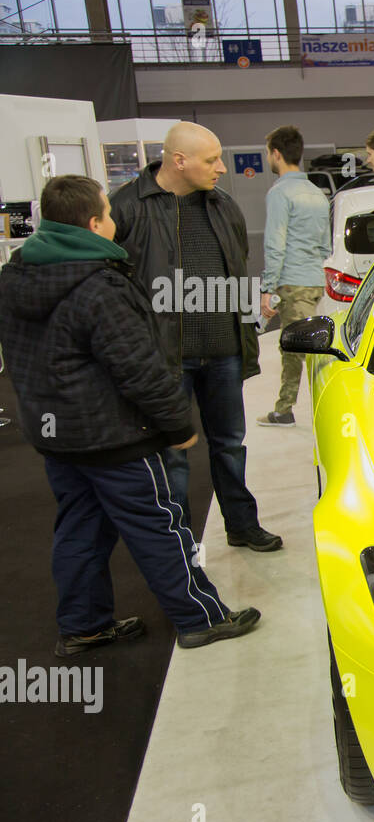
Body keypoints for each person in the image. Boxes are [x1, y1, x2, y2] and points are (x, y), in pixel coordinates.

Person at [0, 175, 262, 653]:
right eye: (108, 212)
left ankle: (83, 625)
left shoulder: (16, 276)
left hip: (55, 433)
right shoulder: (100, 285)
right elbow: (138, 368)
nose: (115, 221)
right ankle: (200, 618)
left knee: (79, 527)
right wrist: (178, 426)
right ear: (95, 221)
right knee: (159, 525)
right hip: (114, 435)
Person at [110, 121, 282, 552]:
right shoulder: (127, 208)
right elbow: (111, 285)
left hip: (222, 353)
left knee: (230, 445)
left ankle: (242, 524)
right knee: (172, 455)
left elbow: (238, 267)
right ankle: (178, 543)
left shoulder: (223, 206)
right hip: (165, 359)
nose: (222, 168)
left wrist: (246, 331)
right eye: (211, 160)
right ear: (179, 160)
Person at [257, 124, 330, 428]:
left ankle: (311, 409)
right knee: (297, 348)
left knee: (303, 352)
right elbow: (326, 245)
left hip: (293, 281)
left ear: (276, 154)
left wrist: (267, 288)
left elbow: (275, 244)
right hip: (314, 281)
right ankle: (284, 408)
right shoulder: (318, 193)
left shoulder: (280, 193)